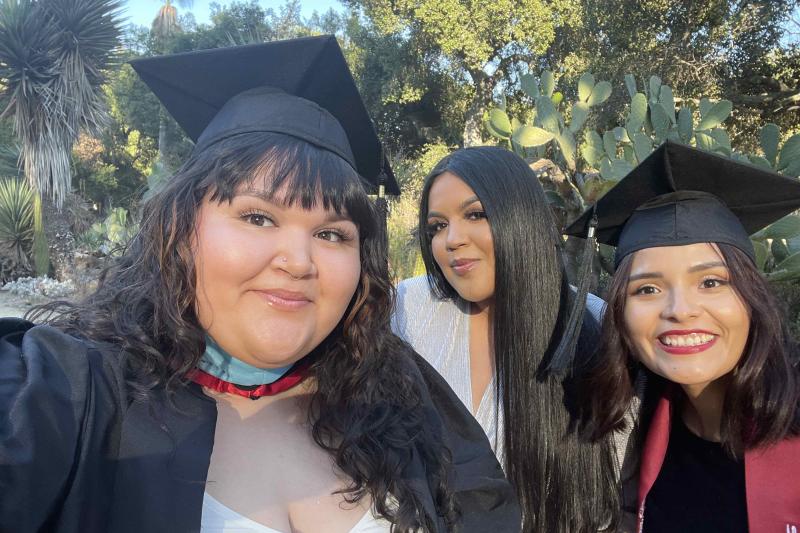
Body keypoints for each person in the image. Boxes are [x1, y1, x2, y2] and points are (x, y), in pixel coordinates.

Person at [0, 37, 519, 533]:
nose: (298, 261)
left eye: (332, 233)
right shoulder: (72, 393)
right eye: (258, 217)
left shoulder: (394, 390)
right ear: (179, 230)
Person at [567, 140, 800, 533]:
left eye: (710, 282)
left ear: (752, 297)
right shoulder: (626, 435)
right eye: (647, 289)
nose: (680, 309)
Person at [392, 146, 621, 533]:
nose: (451, 240)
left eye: (475, 214)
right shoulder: (409, 310)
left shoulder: (590, 326)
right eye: (437, 226)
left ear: (523, 217)